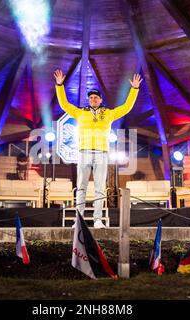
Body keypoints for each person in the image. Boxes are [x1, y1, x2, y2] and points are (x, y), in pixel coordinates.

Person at [54, 69, 142, 228]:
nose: (93, 99)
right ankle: (79, 221)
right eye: (91, 97)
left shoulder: (108, 114)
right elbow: (64, 105)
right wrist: (59, 85)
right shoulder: (80, 113)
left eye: (96, 97)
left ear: (100, 99)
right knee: (81, 188)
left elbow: (126, 107)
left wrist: (134, 89)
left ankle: (97, 220)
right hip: (83, 153)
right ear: (89, 100)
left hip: (102, 153)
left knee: (100, 189)